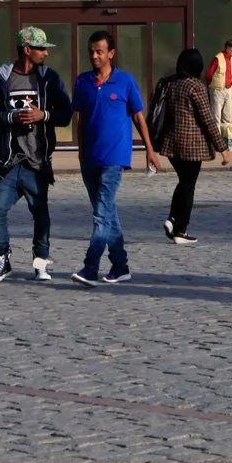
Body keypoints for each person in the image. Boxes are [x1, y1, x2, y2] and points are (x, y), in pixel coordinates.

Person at [0, 26, 73, 283]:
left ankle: (41, 261)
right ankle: (2, 260)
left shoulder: (49, 78)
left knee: (41, 213)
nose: (46, 53)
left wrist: (43, 115)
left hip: (37, 161)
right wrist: (11, 117)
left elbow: (66, 113)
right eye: (42, 48)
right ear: (27, 49)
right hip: (9, 161)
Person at [68, 30, 158, 287]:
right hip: (89, 157)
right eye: (91, 51)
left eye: (99, 51)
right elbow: (81, 119)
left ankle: (90, 267)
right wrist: (80, 151)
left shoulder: (125, 81)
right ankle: (120, 266)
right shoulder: (83, 82)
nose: (94, 56)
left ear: (111, 53)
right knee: (106, 212)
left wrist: (149, 150)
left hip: (115, 157)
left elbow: (139, 117)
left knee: (101, 214)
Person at [156, 48, 230, 245]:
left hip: (172, 143)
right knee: (188, 186)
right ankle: (181, 230)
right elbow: (207, 119)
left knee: (184, 182)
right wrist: (222, 148)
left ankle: (172, 219)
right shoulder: (195, 86)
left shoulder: (172, 83)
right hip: (191, 145)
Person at [206, 38, 232, 147]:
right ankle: (216, 143)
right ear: (228, 48)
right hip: (217, 90)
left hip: (228, 89)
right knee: (216, 117)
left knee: (227, 117)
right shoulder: (218, 58)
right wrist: (213, 86)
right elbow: (208, 75)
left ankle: (227, 143)